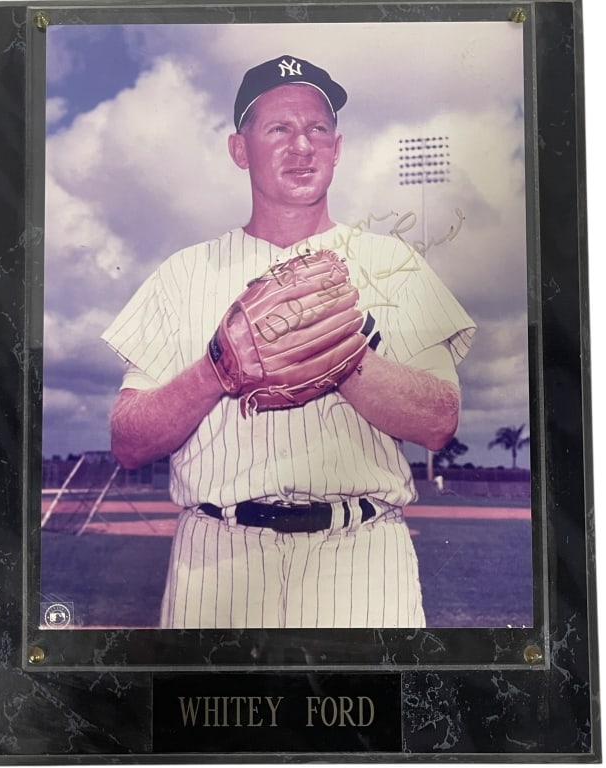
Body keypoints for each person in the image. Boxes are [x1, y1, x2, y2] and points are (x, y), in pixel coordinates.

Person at [101, 54, 475, 629]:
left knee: (365, 719)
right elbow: (128, 441)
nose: (302, 145)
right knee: (213, 720)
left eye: (317, 129)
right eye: (278, 128)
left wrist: (342, 359)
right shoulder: (183, 273)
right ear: (239, 149)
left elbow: (440, 420)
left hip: (363, 556)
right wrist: (216, 370)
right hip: (215, 559)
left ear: (337, 147)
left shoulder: (392, 263)